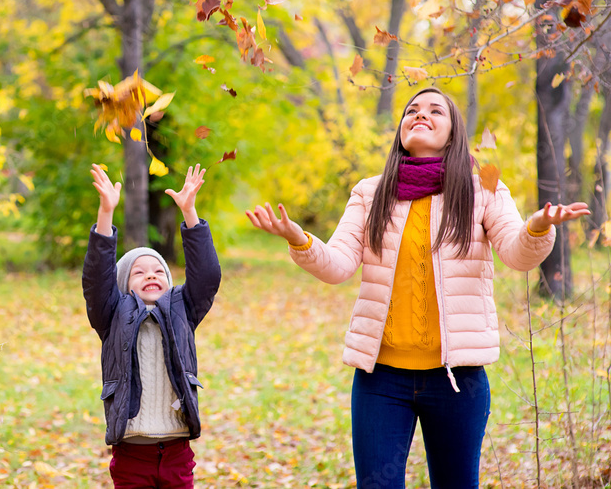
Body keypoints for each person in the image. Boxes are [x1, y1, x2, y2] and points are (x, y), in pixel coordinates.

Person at [246, 87, 589, 489]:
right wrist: (298, 238)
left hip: (456, 381)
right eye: (411, 110)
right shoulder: (370, 192)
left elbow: (517, 254)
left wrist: (537, 227)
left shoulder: (483, 189)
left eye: (434, 111)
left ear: (452, 132)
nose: (420, 115)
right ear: (401, 129)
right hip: (381, 380)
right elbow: (337, 265)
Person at [84, 163, 222, 489]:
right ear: (123, 285)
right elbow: (96, 280)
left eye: (159, 271)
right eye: (140, 272)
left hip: (177, 451)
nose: (151, 275)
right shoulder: (111, 312)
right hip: (131, 454)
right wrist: (106, 214)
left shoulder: (182, 309)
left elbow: (207, 276)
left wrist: (189, 213)